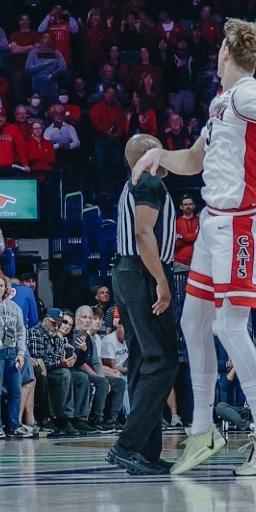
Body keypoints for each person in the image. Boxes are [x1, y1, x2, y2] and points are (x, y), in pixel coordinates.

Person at [129, 19, 256, 477]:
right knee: (192, 319)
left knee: (230, 326)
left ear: (225, 52)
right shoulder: (221, 103)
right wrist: (159, 155)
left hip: (241, 225)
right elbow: (195, 160)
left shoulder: (247, 93)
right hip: (211, 224)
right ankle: (203, 431)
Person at [106, 134, 181, 475]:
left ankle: (146, 451)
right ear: (149, 154)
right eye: (158, 147)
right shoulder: (149, 179)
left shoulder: (132, 182)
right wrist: (162, 283)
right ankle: (127, 445)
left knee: (141, 362)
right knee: (163, 360)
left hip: (126, 272)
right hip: (142, 272)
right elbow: (143, 233)